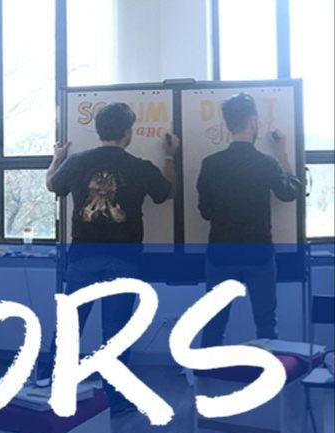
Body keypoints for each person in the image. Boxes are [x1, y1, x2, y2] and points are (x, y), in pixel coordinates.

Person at [45, 102, 179, 415]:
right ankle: (115, 399)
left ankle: (51, 386)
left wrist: (57, 158)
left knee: (70, 326)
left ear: (99, 130)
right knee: (116, 333)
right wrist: (170, 156)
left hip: (83, 257)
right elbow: (168, 193)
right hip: (125, 259)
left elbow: (52, 185)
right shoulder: (140, 166)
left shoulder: (77, 161)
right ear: (127, 133)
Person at [196, 92, 304, 346]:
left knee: (214, 321)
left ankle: (208, 368)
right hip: (259, 254)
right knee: (265, 322)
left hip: (221, 254)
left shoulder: (210, 164)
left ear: (228, 124)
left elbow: (205, 211)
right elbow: (290, 193)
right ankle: (267, 368)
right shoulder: (266, 163)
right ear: (253, 122)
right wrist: (282, 153)